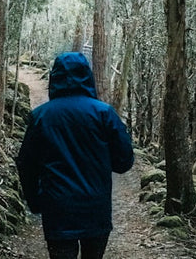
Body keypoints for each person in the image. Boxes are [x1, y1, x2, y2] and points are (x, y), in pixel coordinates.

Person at [16, 51, 134, 259]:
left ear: (55, 77)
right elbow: (124, 162)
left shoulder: (41, 116)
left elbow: (26, 164)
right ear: (88, 76)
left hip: (57, 210)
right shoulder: (104, 113)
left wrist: (35, 202)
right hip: (95, 210)